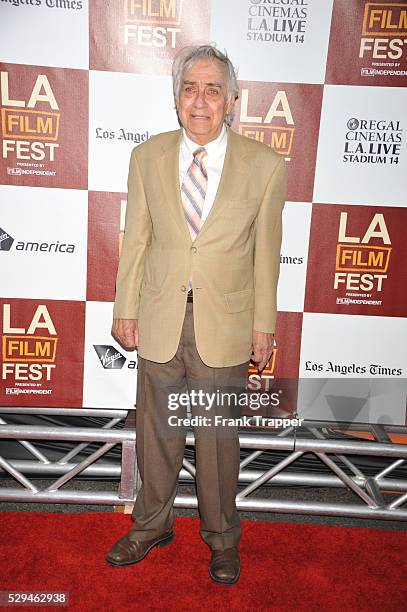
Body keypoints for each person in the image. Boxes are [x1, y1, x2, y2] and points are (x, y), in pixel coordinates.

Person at [105, 44, 285, 584]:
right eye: (190, 89)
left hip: (225, 323)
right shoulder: (148, 156)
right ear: (175, 99)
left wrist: (264, 325)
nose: (200, 100)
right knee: (156, 435)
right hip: (159, 315)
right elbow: (135, 239)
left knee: (216, 442)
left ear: (231, 101)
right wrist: (125, 306)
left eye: (212, 90)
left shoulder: (265, 165)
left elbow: (267, 254)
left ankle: (222, 538)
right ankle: (149, 526)